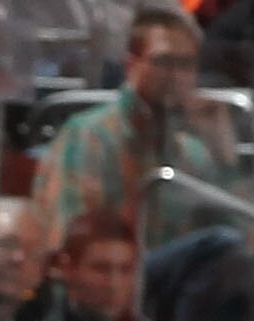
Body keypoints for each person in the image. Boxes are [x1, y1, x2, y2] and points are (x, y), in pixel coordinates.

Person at [31, 7, 231, 249]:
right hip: (109, 275)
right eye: (164, 61)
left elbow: (243, 239)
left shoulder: (191, 151)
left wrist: (224, 157)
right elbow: (68, 235)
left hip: (172, 280)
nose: (176, 75)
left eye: (186, 65)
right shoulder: (89, 136)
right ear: (131, 65)